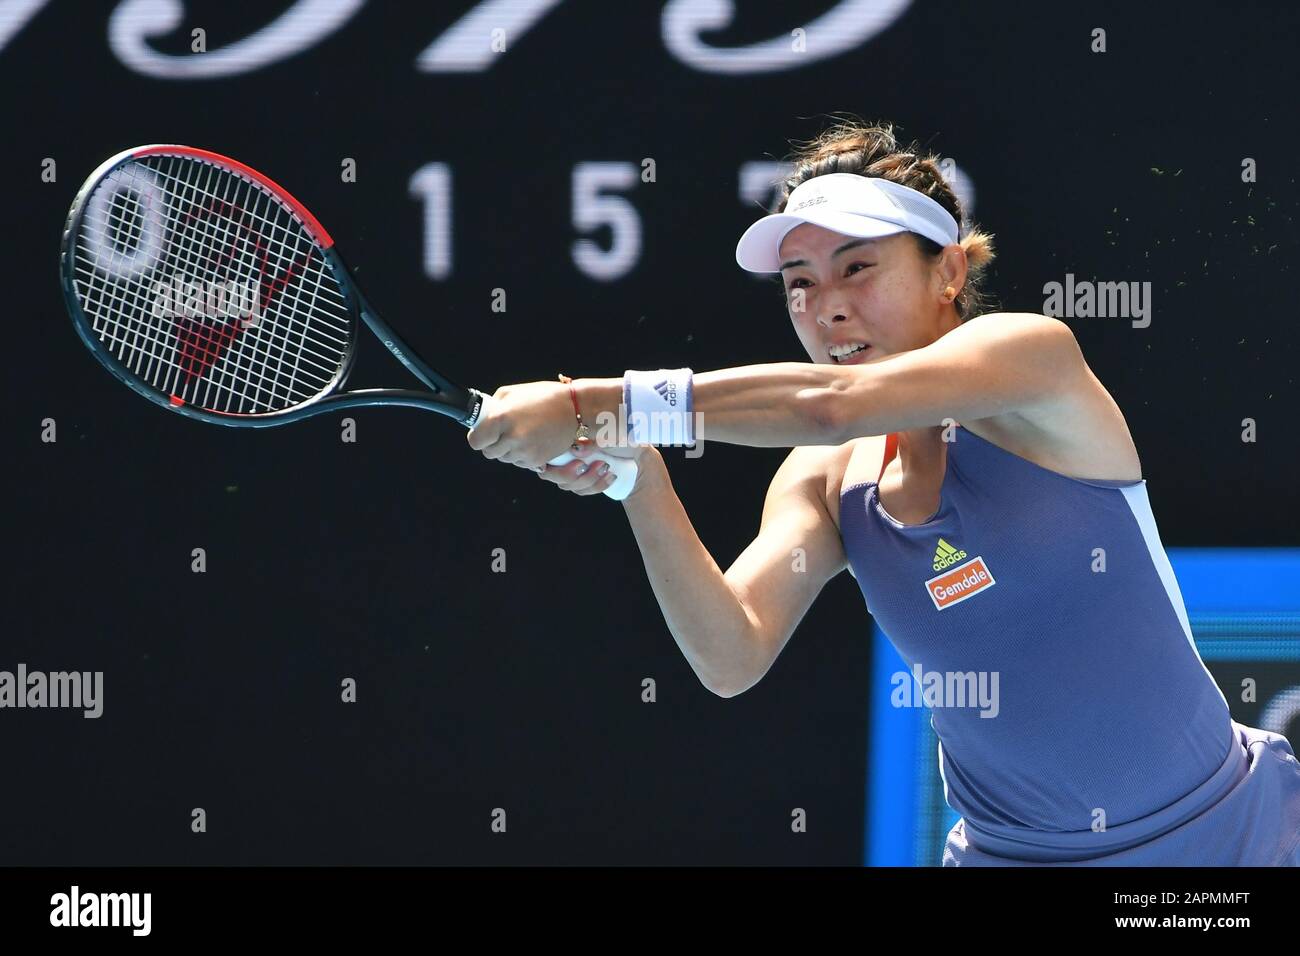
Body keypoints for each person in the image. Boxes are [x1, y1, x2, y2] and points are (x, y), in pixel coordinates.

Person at [466, 120, 1300, 865]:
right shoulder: (827, 480)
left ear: (948, 271)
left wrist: (590, 403)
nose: (826, 308)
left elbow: (830, 405)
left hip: (1233, 837)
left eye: (856, 268)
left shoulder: (1032, 362)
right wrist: (637, 477)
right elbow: (730, 654)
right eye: (799, 282)